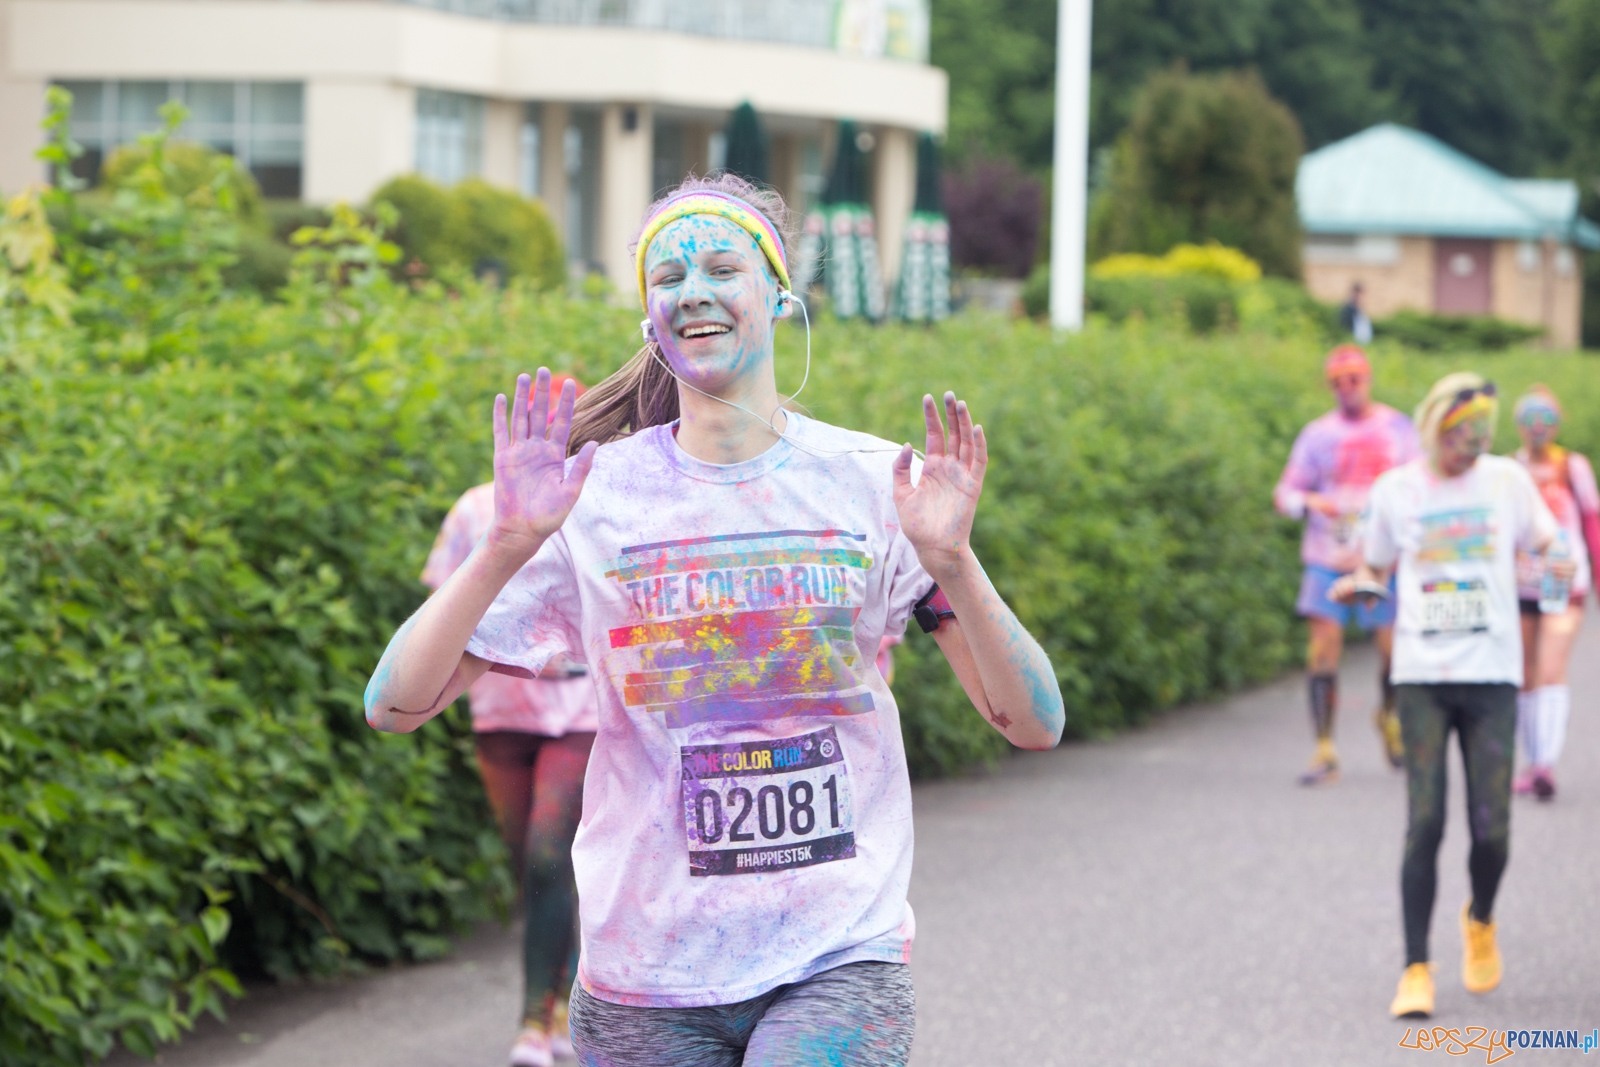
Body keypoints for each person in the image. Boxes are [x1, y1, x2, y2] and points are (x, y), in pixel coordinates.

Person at [364, 174, 1064, 1067]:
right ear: (650, 314)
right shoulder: (592, 499)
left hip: (836, 952)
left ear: (777, 296)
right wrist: (503, 544)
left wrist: (955, 561)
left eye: (721, 267)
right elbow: (393, 703)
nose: (692, 289)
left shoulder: (872, 484)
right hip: (645, 973)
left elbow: (1035, 721)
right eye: (669, 276)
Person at [1332, 373, 1570, 1019]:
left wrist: (1555, 606)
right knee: (1426, 822)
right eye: (1464, 438)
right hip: (1421, 677)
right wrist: (1360, 586)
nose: (1474, 448)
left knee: (1492, 830)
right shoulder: (1398, 489)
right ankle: (1415, 968)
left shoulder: (1505, 481)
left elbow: (1553, 545)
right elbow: (1374, 565)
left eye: (1482, 438)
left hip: (1492, 675)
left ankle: (1481, 915)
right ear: (1437, 428)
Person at [420, 378, 599, 1067]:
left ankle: (539, 1020)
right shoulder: (471, 510)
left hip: (579, 714)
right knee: (535, 867)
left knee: (552, 855)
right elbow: (443, 612)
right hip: (500, 715)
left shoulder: (597, 503)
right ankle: (571, 997)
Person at [1274, 345, 1420, 785]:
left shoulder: (1397, 428)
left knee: (1395, 654)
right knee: (1322, 652)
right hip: (1327, 559)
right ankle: (1324, 749)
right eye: (1337, 382)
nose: (1346, 389)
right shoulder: (1317, 434)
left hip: (1382, 563)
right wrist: (1308, 501)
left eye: (1353, 379)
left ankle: (1389, 717)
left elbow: (1420, 486)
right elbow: (1284, 494)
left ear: (1368, 378)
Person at [1509, 386, 1600, 800]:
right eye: (1530, 420)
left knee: (1550, 668)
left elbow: (1592, 523)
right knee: (1525, 674)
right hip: (1521, 580)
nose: (1538, 428)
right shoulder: (1510, 469)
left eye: (1545, 419)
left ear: (1557, 423)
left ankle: (1546, 763)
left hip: (1564, 579)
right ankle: (1532, 761)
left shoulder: (1574, 466)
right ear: (1519, 426)